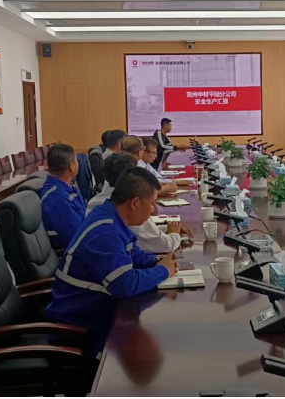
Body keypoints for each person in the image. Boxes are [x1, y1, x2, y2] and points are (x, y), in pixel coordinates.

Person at [46, 167, 178, 356]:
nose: (153, 210)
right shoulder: (105, 232)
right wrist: (163, 271)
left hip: (98, 314)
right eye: (151, 204)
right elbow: (123, 284)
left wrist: (156, 261)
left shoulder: (109, 216)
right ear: (134, 203)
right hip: (81, 330)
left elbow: (131, 253)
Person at [88, 148, 194, 254]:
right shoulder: (128, 205)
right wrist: (174, 234)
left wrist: (167, 228)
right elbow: (163, 245)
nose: (152, 208)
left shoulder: (94, 201)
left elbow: (140, 236)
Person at [40, 144, 87, 250]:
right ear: (71, 166)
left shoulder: (67, 186)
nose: (78, 163)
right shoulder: (56, 198)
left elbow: (84, 212)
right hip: (74, 252)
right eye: (76, 161)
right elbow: (76, 238)